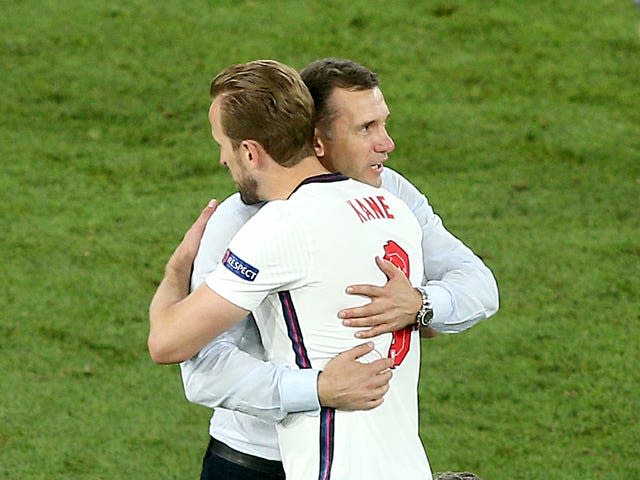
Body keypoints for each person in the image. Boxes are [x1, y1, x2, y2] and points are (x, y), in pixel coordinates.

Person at [180, 59, 500, 479]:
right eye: (365, 128)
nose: (387, 144)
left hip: (359, 459)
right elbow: (203, 365)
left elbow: (478, 287)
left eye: (382, 124)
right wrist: (316, 389)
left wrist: (421, 304)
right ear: (316, 140)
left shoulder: (390, 195)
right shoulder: (242, 219)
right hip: (254, 463)